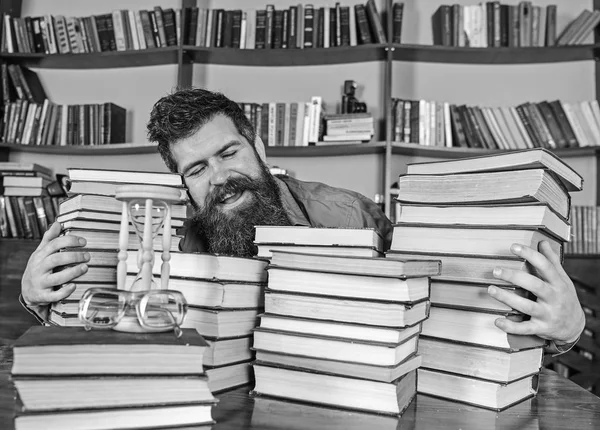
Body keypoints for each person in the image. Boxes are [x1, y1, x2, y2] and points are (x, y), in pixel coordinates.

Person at [20, 88, 584, 355]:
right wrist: (40, 300)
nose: (219, 177)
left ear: (259, 146)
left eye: (229, 154)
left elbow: (447, 319)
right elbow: (110, 329)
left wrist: (565, 331)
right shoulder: (161, 239)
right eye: (196, 169)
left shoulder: (351, 216)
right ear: (182, 183)